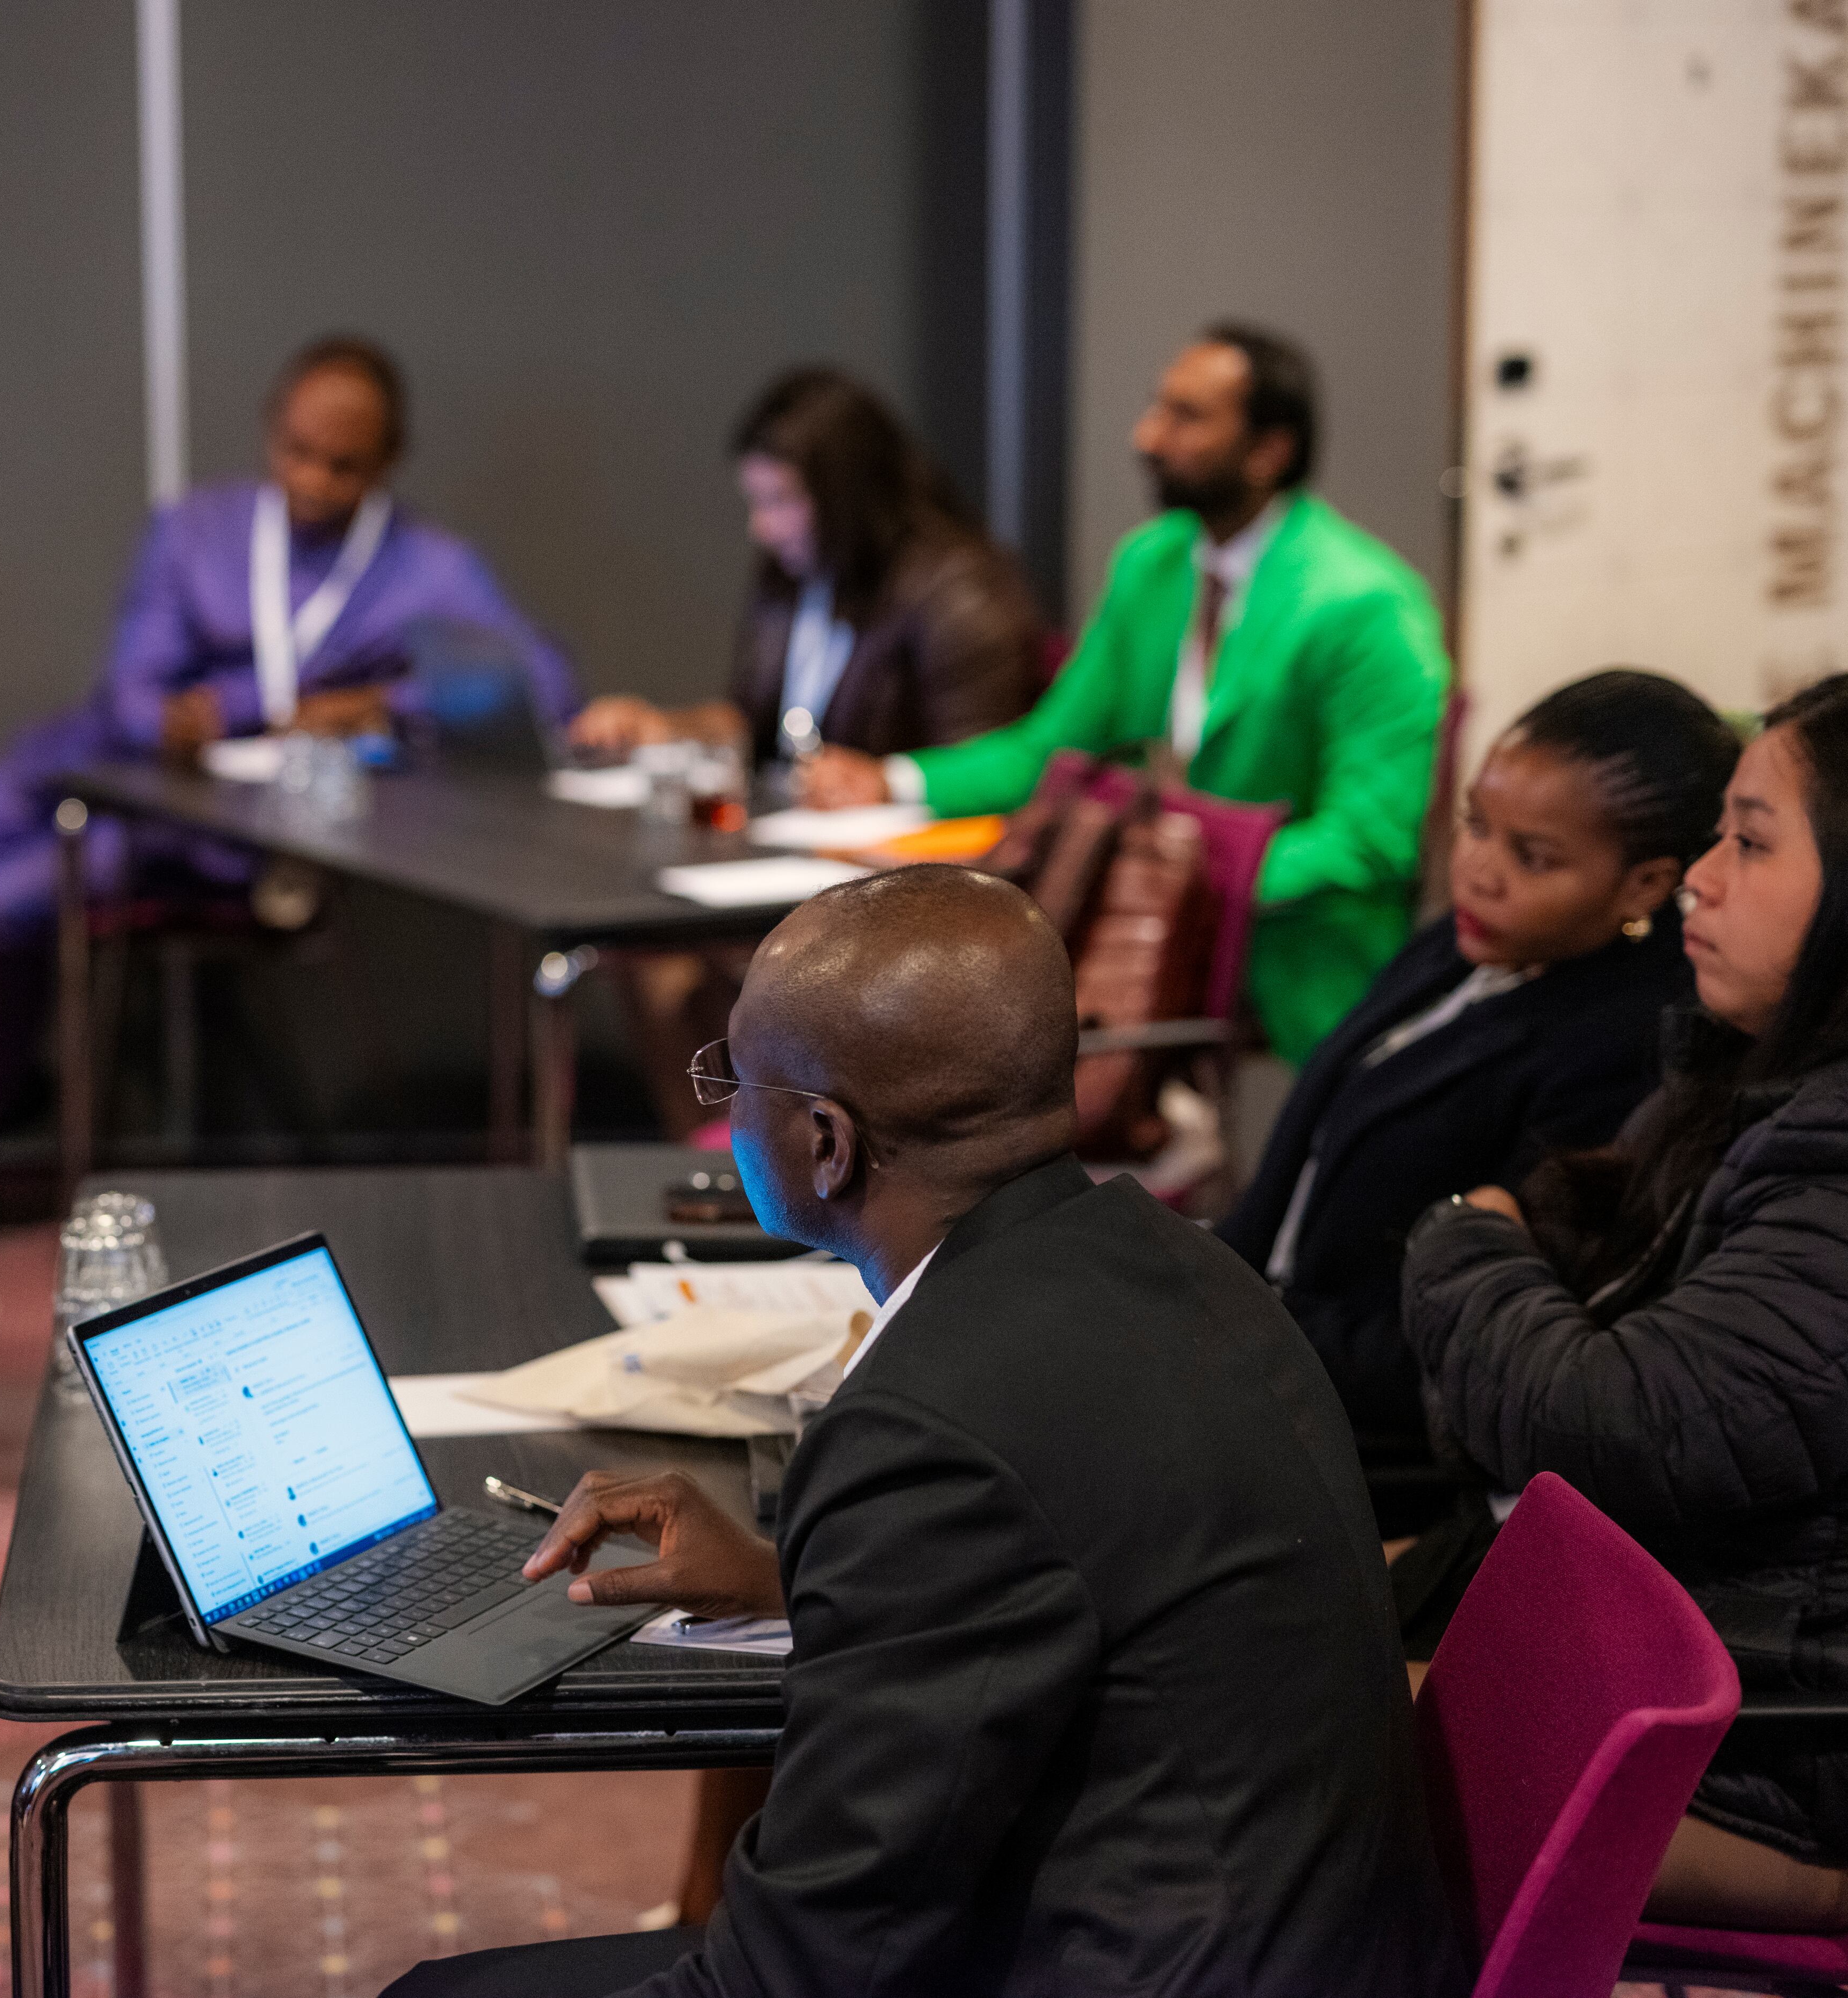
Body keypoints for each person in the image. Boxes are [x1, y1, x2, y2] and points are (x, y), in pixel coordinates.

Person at [386, 867, 1463, 1997]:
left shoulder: (923, 1426)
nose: (725, 1105)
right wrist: (788, 1582)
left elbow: (804, 1967)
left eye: (733, 1079)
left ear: (826, 1142)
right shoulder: (1185, 1264)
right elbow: (1072, 1582)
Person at [0, 333, 578, 1126]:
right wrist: (183, 718)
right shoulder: (197, 531)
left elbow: (545, 686)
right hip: (92, 765)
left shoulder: (427, 567)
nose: (311, 480)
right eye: (296, 451)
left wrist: (379, 703)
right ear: (271, 432)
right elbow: (130, 685)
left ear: (387, 463)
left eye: (342, 466)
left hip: (203, 832)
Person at [1399, 672, 1848, 1934]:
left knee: (1229, 1736)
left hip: (1765, 1756)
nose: (1700, 876)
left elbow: (1616, 1424)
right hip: (1672, 1672)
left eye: (1749, 841)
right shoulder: (1756, 1074)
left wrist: (1458, 1244)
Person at [798, 324, 1449, 1062]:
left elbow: (1367, 843)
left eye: (1187, 417)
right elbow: (1051, 751)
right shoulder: (1153, 565)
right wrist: (891, 778)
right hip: (1148, 949)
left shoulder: (1365, 606)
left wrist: (1179, 876)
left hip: (1296, 965)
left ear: (1270, 451)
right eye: (1157, 408)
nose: (1148, 436)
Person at [1217, 670, 1736, 1448]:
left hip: (1351, 1427)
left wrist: (1239, 1336)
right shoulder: (1466, 946)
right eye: (1476, 824)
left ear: (1646, 884)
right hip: (1253, 1338)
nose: (1479, 869)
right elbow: (1311, 1155)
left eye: (1533, 857)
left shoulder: (1628, 1052)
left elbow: (1473, 1337)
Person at [570, 366, 1043, 769]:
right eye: (756, 502)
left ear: (850, 495)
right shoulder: (792, 573)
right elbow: (754, 721)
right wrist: (662, 728)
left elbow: (987, 772)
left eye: (781, 501)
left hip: (903, 868)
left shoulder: (959, 590)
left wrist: (881, 780)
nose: (763, 528)